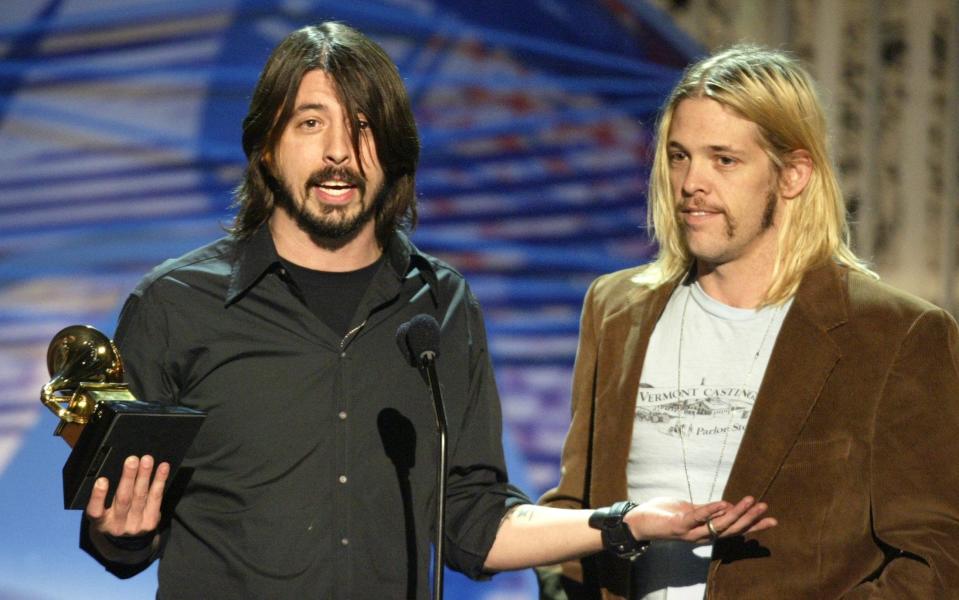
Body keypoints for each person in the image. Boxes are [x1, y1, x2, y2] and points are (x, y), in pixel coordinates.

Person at [77, 23, 775, 599]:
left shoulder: (441, 306)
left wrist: (625, 523)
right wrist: (120, 530)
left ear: (395, 152)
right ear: (265, 146)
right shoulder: (175, 304)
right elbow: (119, 537)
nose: (338, 153)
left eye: (361, 127)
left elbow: (472, 525)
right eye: (309, 123)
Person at [538, 44, 959, 599]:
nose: (691, 183)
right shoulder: (617, 309)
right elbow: (577, 505)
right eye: (678, 155)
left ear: (793, 175)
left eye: (724, 160)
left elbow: (935, 558)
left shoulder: (895, 334)